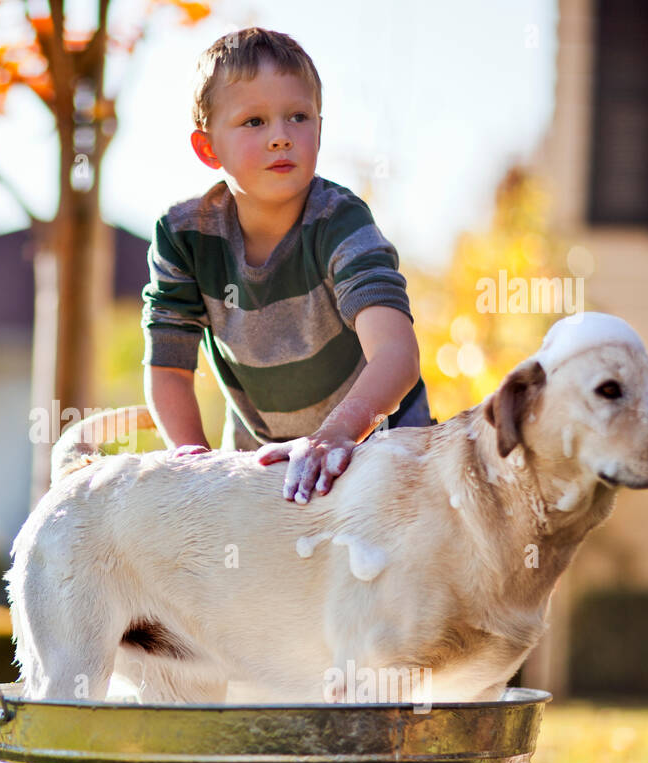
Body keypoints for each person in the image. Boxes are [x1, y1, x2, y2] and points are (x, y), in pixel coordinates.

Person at [141, 27, 436, 504]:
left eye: (298, 117)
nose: (281, 137)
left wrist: (336, 434)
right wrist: (193, 460)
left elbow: (397, 355)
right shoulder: (184, 236)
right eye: (254, 122)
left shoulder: (340, 222)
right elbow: (170, 365)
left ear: (320, 126)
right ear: (208, 148)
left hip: (382, 446)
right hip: (263, 459)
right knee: (249, 572)